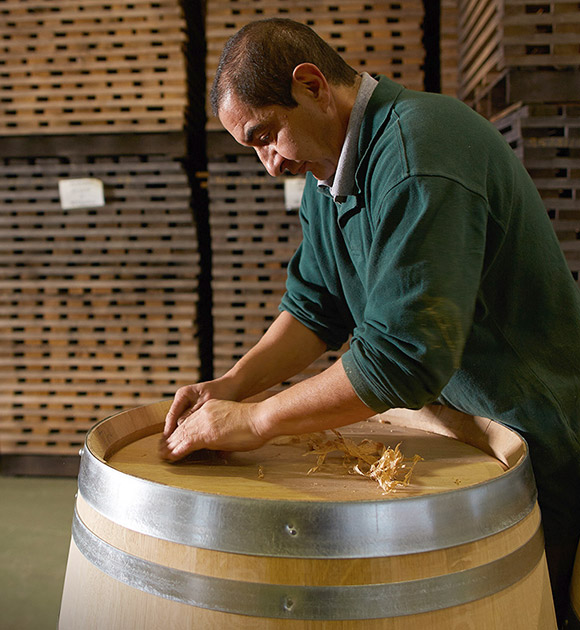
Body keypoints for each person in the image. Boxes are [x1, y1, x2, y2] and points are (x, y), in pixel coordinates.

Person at [159, 18, 580, 626]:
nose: (268, 164)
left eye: (265, 136)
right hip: (465, 433)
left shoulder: (419, 152)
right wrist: (232, 386)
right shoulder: (331, 173)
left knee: (543, 611)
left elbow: (402, 357)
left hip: (535, 442)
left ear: (312, 86)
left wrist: (256, 420)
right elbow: (314, 308)